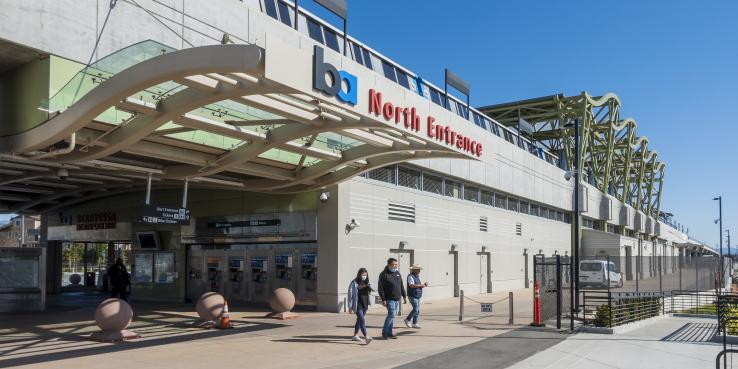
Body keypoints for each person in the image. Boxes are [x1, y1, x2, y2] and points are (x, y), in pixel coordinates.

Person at [377, 258, 407, 339]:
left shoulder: (397, 273)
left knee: (393, 316)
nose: (395, 266)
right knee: (391, 315)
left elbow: (401, 285)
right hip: (389, 299)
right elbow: (380, 288)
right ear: (389, 265)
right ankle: (385, 333)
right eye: (394, 264)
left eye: (396, 264)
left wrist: (404, 296)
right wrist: (383, 299)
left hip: (397, 299)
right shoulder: (384, 274)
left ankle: (390, 333)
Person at [347, 267, 374, 344]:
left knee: (359, 320)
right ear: (359, 274)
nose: (364, 276)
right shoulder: (354, 282)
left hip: (365, 303)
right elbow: (350, 294)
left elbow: (373, 289)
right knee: (362, 320)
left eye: (365, 275)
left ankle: (355, 335)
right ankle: (366, 337)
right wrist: (350, 306)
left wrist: (369, 286)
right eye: (363, 274)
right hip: (357, 304)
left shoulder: (367, 282)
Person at [404, 264, 428, 328]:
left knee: (417, 310)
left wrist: (424, 285)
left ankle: (414, 323)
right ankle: (407, 319)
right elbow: (411, 285)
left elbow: (419, 285)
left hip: (417, 294)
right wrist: (421, 285)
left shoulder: (418, 276)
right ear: (414, 270)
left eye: (419, 269)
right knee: (415, 309)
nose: (419, 270)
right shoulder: (410, 276)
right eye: (418, 269)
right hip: (412, 295)